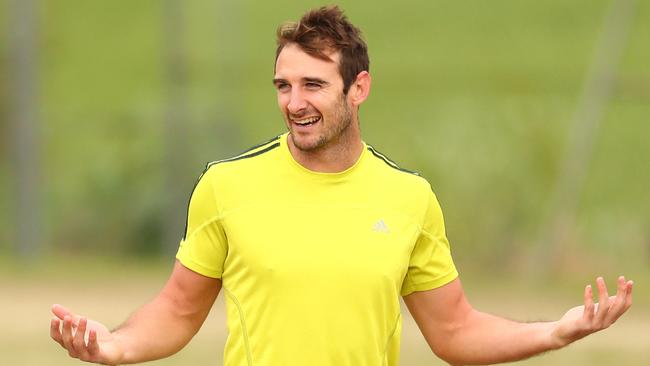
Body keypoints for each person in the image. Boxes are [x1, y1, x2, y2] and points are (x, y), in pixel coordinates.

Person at [50, 5, 633, 366]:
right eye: (283, 85)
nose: (294, 103)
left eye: (313, 84)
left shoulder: (409, 199)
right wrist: (114, 346)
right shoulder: (226, 186)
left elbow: (455, 331)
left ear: (359, 89)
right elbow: (177, 311)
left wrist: (558, 331)